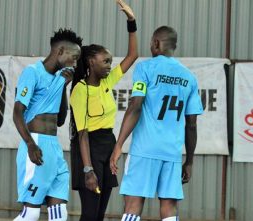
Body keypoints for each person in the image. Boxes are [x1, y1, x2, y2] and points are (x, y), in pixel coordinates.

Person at [110, 26, 204, 221]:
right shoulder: (189, 77)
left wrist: (118, 144)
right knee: (169, 206)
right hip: (172, 153)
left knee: (133, 204)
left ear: (155, 44)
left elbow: (136, 105)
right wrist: (189, 161)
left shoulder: (145, 68)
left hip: (144, 149)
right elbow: (192, 124)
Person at [69, 1, 138, 220]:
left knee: (99, 214)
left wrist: (131, 22)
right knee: (90, 214)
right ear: (91, 61)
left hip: (107, 146)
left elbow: (132, 56)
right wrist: (88, 170)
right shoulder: (80, 91)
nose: (110, 65)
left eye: (110, 61)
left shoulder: (107, 83)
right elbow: (82, 134)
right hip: (88, 150)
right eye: (105, 61)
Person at [13, 28, 82, 221]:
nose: (75, 63)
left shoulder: (60, 78)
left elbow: (60, 120)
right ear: (60, 51)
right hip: (36, 143)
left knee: (59, 214)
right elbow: (17, 113)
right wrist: (30, 144)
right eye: (73, 57)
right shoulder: (32, 72)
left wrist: (63, 87)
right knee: (31, 213)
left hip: (53, 146)